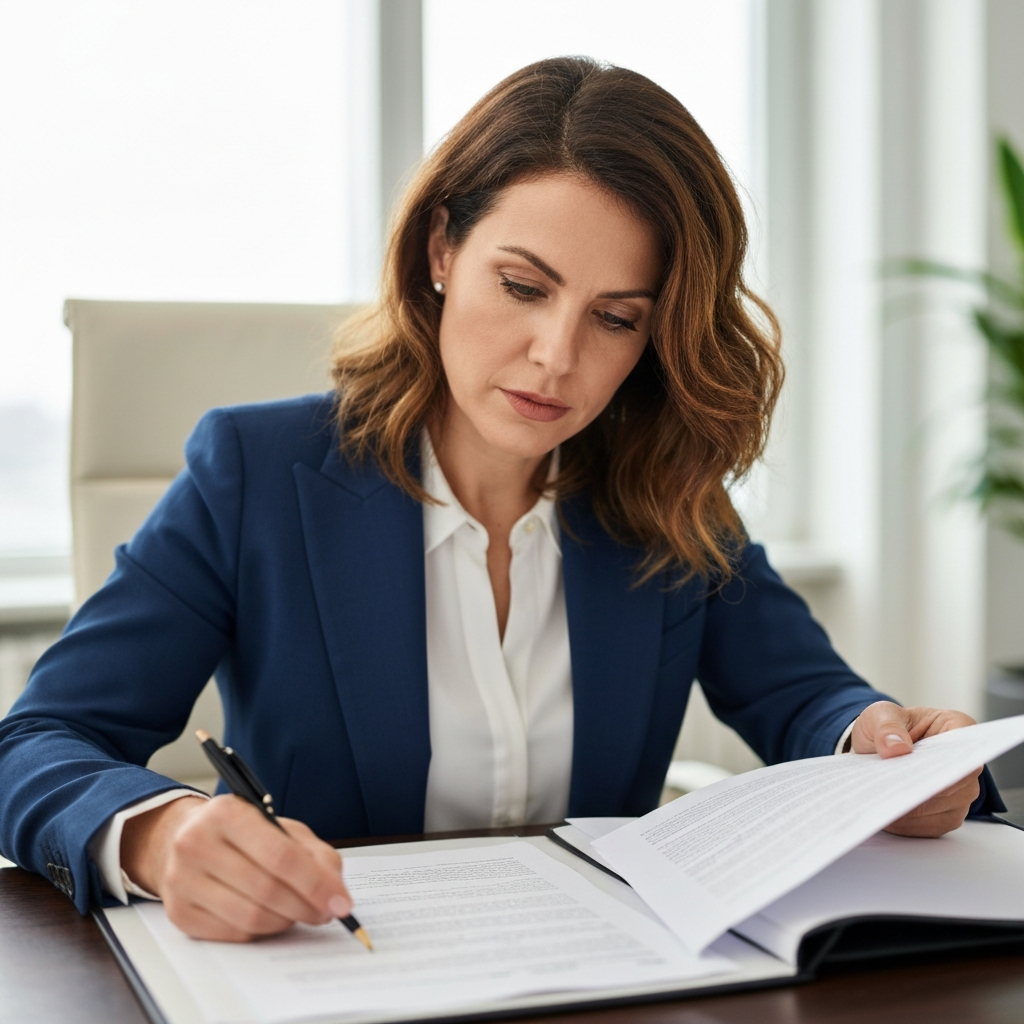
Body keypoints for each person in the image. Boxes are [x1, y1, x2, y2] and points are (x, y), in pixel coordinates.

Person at [0, 57, 1001, 943]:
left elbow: (803, 698)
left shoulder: (662, 489)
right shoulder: (255, 471)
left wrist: (885, 747)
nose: (556, 357)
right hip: (330, 976)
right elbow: (38, 742)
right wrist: (160, 834)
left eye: (614, 318)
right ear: (442, 249)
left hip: (594, 981)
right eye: (523, 285)